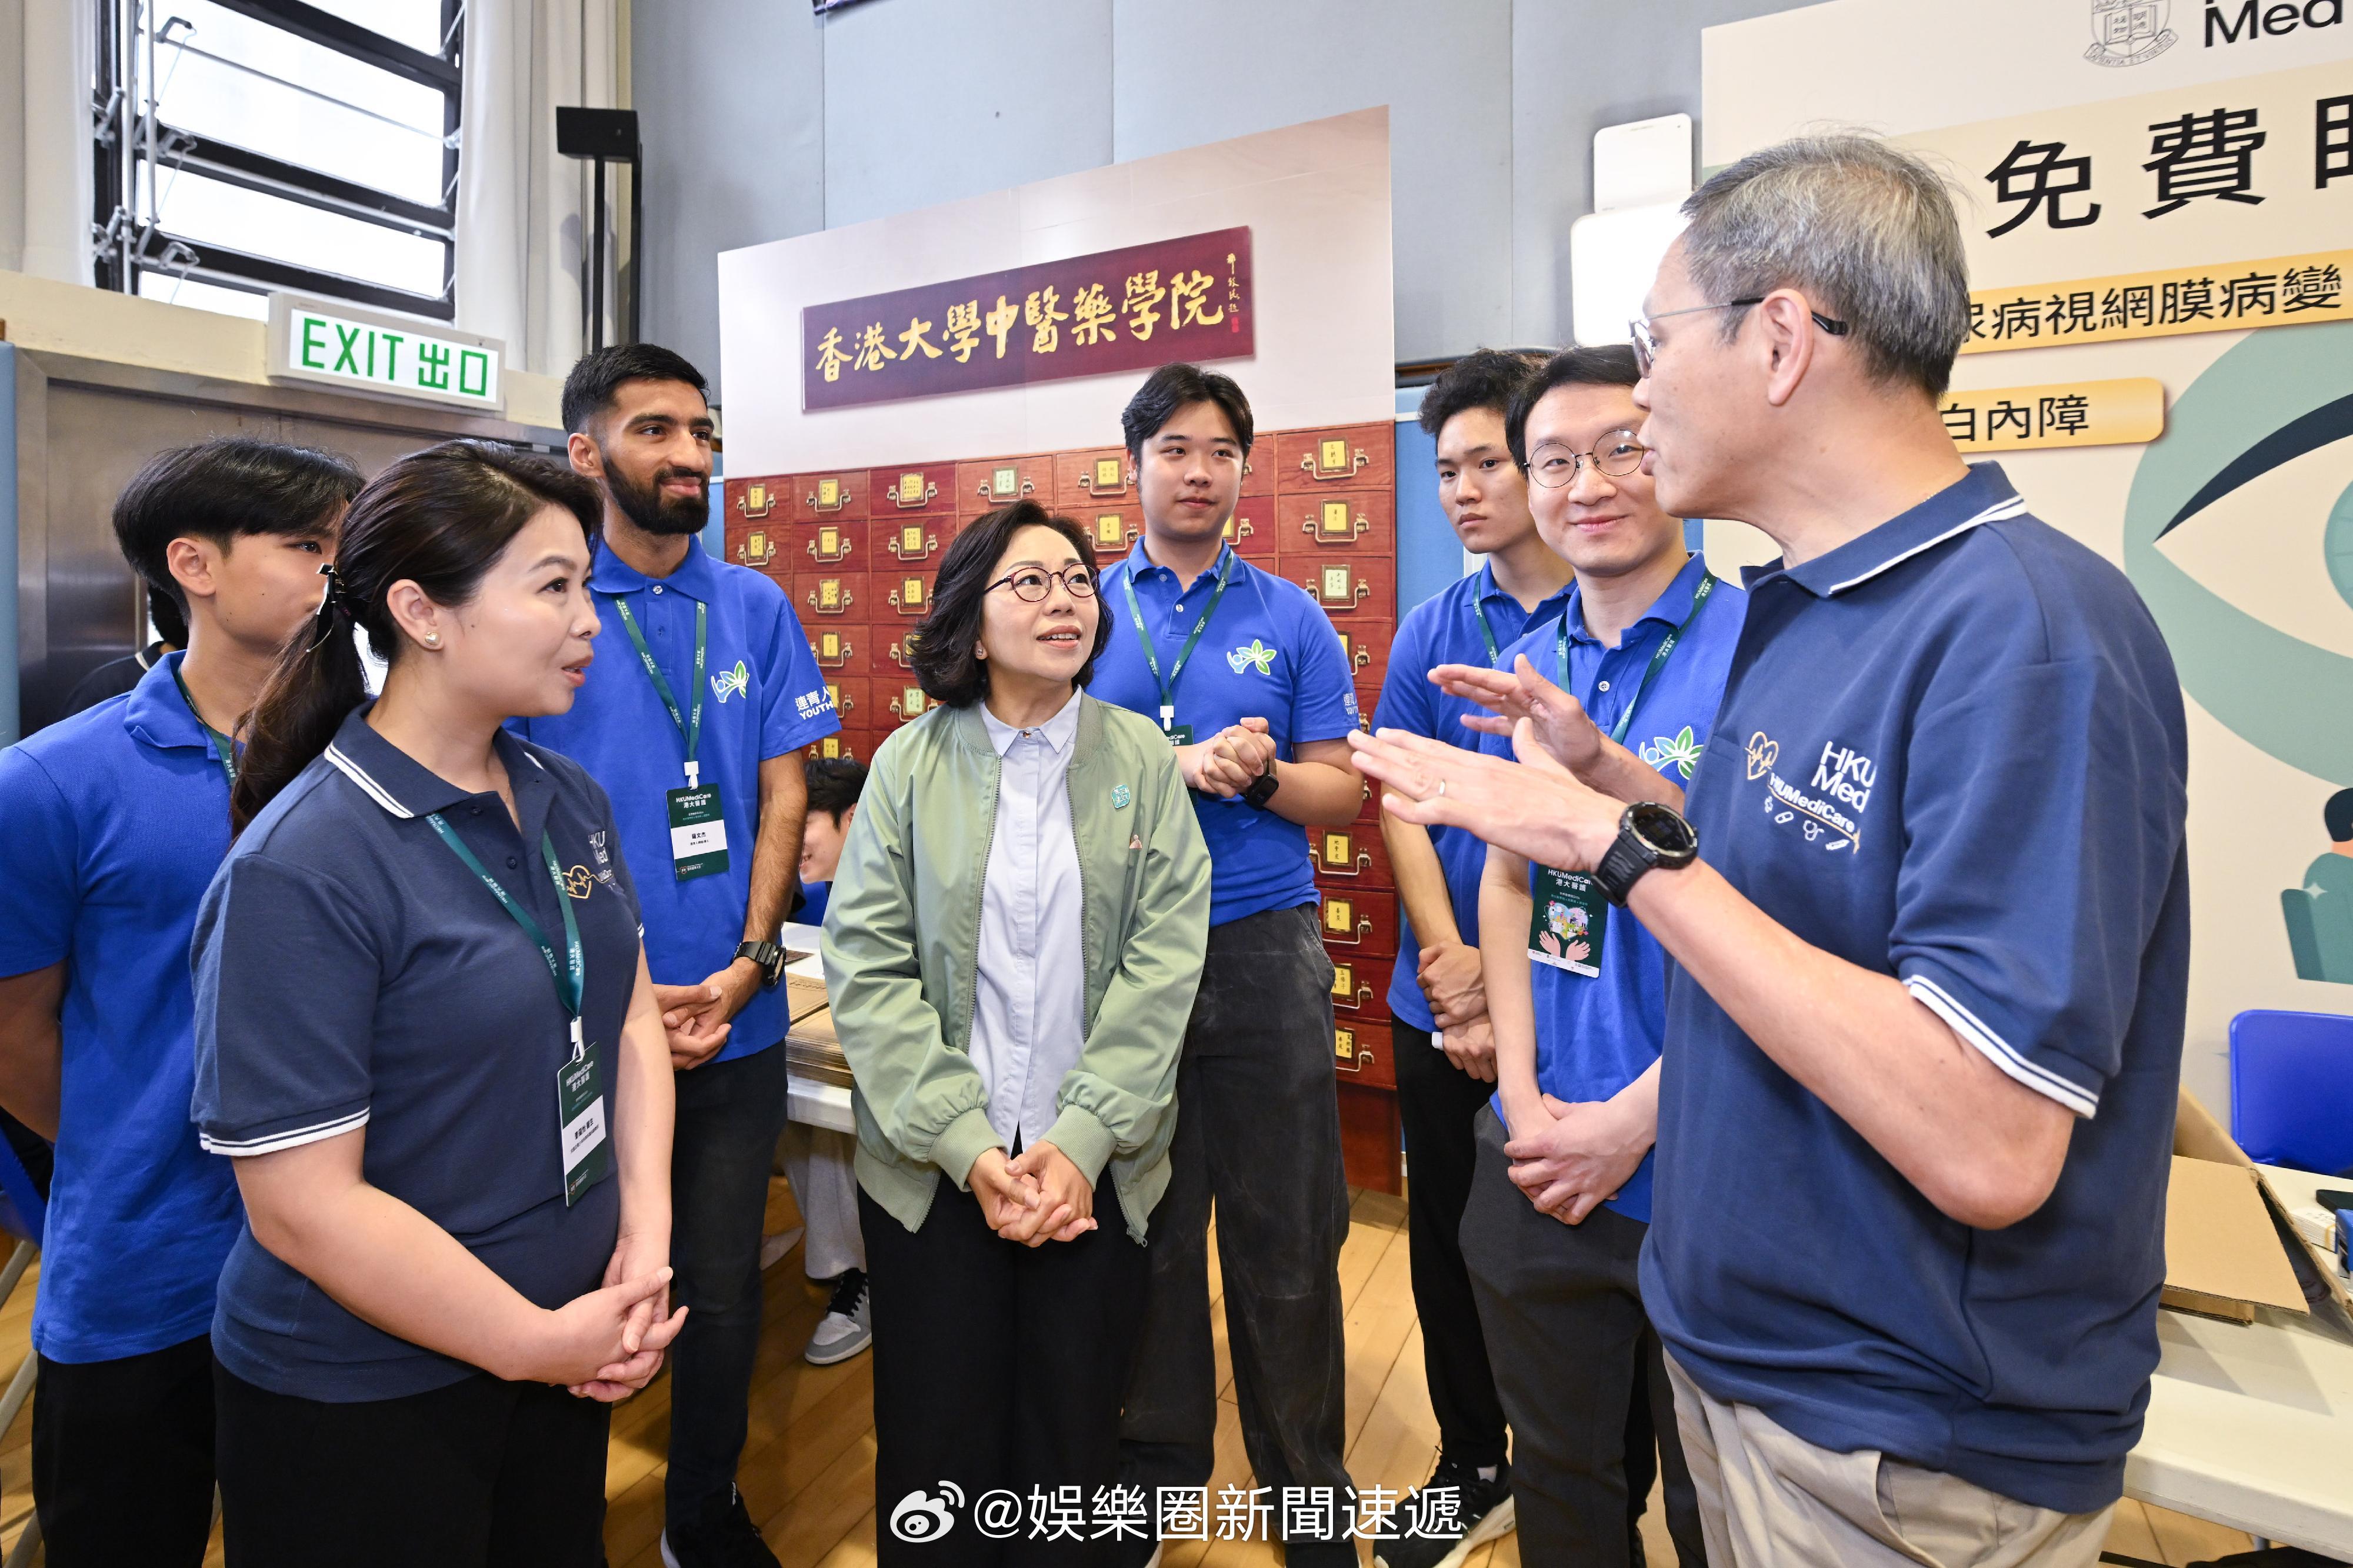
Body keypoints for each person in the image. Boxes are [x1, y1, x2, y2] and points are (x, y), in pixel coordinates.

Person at [1351, 134, 2189, 1568]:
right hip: (1751, 1355)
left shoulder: (2029, 637)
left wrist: (1603, 837)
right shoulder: (1814, 611)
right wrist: (1608, 774)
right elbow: (1776, 918)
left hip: (1898, 1440)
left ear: (1783, 338)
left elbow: (1990, 1139)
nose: (1641, 393)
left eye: (1654, 344)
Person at [193, 441, 687, 1568]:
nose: (589, 621)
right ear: (421, 611)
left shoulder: (569, 795)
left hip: (572, 1336)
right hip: (367, 1389)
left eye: (586, 587)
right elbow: (302, 1210)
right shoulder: (306, 863)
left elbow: (621, 1017)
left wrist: (641, 1241)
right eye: (553, 587)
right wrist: (530, 1341)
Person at [822, 500, 1210, 1565]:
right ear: (970, 620)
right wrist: (967, 1145)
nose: (1064, 601)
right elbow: (869, 964)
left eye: (1079, 579)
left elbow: (1161, 970)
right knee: (935, 1444)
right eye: (1029, 582)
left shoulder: (1141, 758)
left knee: (1074, 1438)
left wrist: (1080, 1144)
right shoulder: (908, 762)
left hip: (1094, 1172)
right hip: (940, 1171)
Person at [0, 437, 360, 1567]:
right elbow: (14, 1034)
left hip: (342, 1264)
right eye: (307, 546)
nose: (333, 575)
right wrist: (142, 1144)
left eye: (345, 549)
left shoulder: (373, 761)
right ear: (192, 563)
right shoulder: (54, 782)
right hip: (142, 1269)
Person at [516, 345, 841, 1568]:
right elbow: (498, 805)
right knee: (565, 1280)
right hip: (580, 1027)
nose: (690, 456)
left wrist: (757, 957)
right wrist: (615, 987)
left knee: (716, 1284)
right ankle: (554, 1520)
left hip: (734, 1016)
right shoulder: (541, 601)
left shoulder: (752, 603)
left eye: (702, 431)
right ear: (585, 453)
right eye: (655, 430)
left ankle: (699, 1511)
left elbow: (780, 784)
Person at [1425, 345, 1728, 1568]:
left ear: (1672, 451)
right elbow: (1508, 870)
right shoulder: (1529, 662)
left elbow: (1783, 915)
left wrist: (1637, 1120)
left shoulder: (1763, 644)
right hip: (1541, 1147)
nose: (1584, 482)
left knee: (1719, 1501)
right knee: (1559, 1479)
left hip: (1706, 1147)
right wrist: (1519, 1094)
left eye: (1617, 447)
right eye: (1552, 459)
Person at [1088, 364, 1368, 1565]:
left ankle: (1307, 1492)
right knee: (1145, 1231)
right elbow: (1038, 777)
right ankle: (1155, 1487)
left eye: (1218, 452)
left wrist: (1254, 770)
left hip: (1262, 943)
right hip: (1117, 952)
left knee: (1287, 1236)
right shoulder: (1084, 607)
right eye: (1173, 450)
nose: (1195, 471)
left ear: (1243, 472)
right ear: (1134, 463)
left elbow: (1342, 790)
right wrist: (1163, 767)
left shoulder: (1289, 616)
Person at [1368, 347, 1570, 1566]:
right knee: (1444, 1241)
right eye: (1444, 469)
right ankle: (1468, 1458)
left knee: (1574, 1253)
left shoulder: (1621, 613)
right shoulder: (1436, 625)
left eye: (1485, 461)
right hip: (1434, 1001)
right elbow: (1395, 792)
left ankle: (1582, 1475)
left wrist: (1500, 990)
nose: (1461, 490)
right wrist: (1443, 957)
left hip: (1573, 1013)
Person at [783, 755, 872, 1366]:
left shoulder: (899, 887)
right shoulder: (794, 893)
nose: (790, 845)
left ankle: (857, 1274)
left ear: (855, 818)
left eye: (804, 827)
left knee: (831, 1119)